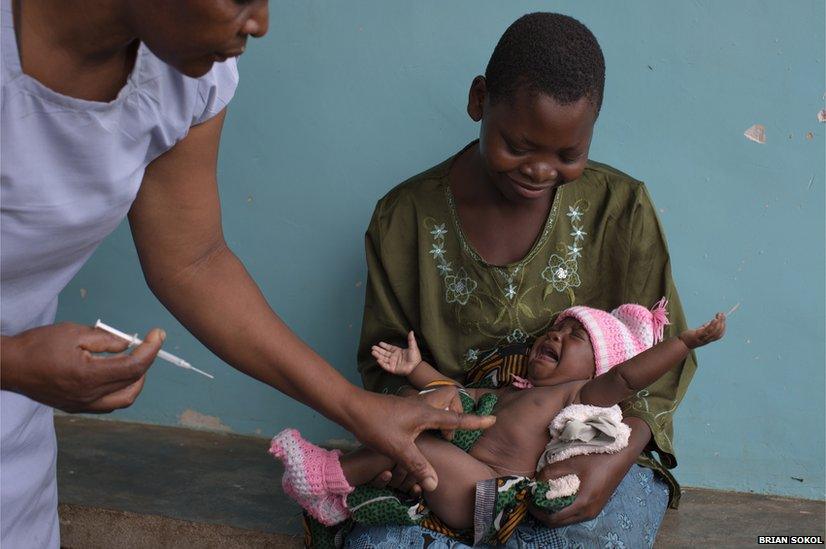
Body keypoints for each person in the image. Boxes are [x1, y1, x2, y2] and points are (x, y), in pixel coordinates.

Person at [0, 1, 493, 547]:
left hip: (16, 447)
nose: (260, 23)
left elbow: (192, 261)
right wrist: (13, 362)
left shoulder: (184, 69)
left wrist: (358, 409)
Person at [351, 12, 699, 548]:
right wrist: (426, 415)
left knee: (589, 532)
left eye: (568, 154)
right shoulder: (405, 221)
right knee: (378, 539)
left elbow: (661, 366)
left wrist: (614, 461)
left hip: (582, 453)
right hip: (458, 450)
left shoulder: (620, 209)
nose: (539, 170)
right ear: (478, 100)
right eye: (518, 145)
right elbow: (385, 364)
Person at [271, 304, 725, 536]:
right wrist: (416, 370)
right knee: (415, 416)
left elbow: (628, 377)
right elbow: (456, 394)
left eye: (574, 336)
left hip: (488, 496)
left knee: (418, 445)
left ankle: (327, 475)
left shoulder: (576, 394)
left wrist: (684, 343)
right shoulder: (515, 390)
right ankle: (340, 497)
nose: (556, 334)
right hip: (460, 477)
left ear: (597, 368)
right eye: (557, 327)